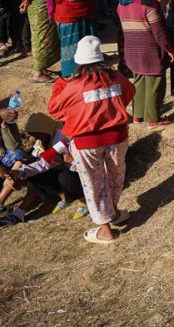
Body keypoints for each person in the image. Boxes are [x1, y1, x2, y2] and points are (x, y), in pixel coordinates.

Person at [47, 36, 134, 243]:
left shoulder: (75, 86)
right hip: (118, 137)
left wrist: (60, 86)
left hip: (87, 143)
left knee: (93, 184)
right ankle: (113, 211)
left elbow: (54, 110)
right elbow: (130, 92)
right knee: (116, 176)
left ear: (79, 62)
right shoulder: (116, 77)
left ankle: (105, 230)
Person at [117, 0, 174, 128]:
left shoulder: (122, 4)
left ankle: (138, 115)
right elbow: (160, 33)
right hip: (150, 51)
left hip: (132, 50)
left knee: (139, 81)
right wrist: (168, 49)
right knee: (155, 83)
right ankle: (153, 118)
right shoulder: (149, 6)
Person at [42, 0, 95, 78]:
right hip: (69, 15)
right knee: (71, 47)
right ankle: (71, 74)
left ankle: (84, 70)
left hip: (76, 13)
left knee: (82, 43)